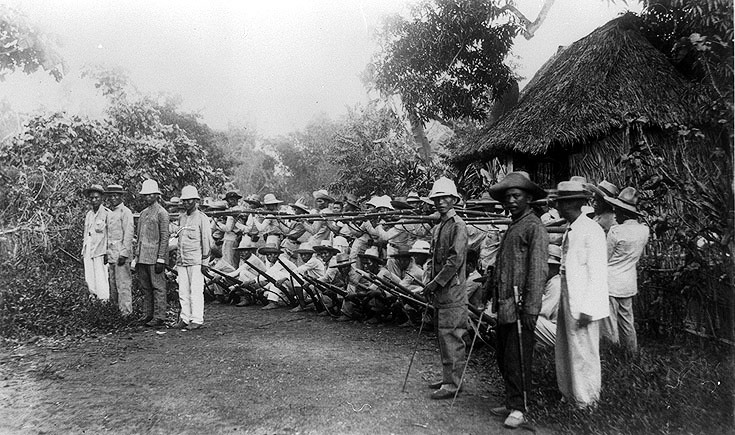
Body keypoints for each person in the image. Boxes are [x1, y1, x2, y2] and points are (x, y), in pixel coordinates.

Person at [486, 171, 549, 428]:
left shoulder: (534, 226)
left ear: (529, 197)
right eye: (507, 197)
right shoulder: (514, 225)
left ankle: (519, 408)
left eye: (516, 196)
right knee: (503, 355)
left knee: (518, 357)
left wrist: (532, 308)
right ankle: (511, 399)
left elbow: (538, 270)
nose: (511, 201)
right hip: (506, 302)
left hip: (522, 304)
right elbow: (502, 264)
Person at [554, 180, 609, 409]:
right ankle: (569, 393)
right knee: (567, 345)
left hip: (584, 299)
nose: (559, 207)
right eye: (559, 203)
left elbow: (598, 273)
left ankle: (586, 400)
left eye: (564, 203)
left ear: (576, 203)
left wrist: (590, 307)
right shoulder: (572, 229)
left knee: (584, 349)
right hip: (568, 291)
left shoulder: (591, 230)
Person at [421, 176, 468, 400]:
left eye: (445, 197)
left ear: (454, 200)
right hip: (440, 291)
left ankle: (453, 383)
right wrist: (428, 280)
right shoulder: (439, 226)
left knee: (452, 336)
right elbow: (433, 258)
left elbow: (454, 261)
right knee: (443, 335)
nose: (440, 201)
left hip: (453, 290)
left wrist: (435, 283)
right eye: (437, 198)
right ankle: (448, 378)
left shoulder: (458, 225)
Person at [601, 187, 649, 354]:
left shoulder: (616, 231)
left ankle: (612, 354)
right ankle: (631, 353)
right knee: (627, 321)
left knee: (609, 322)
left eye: (617, 211)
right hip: (628, 281)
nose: (615, 215)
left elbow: (605, 257)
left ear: (624, 213)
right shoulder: (644, 230)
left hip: (611, 281)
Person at [173, 186, 211, 330]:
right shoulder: (181, 218)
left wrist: (205, 262)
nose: (187, 202)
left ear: (196, 200)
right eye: (184, 200)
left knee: (195, 290)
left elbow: (206, 241)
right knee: (183, 290)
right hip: (183, 260)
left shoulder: (202, 218)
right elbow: (179, 240)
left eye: (190, 200)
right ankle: (185, 318)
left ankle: (197, 319)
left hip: (196, 260)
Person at [134, 179, 170, 328]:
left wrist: (161, 258)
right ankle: (147, 314)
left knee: (158, 287)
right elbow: (139, 237)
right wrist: (136, 257)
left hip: (155, 256)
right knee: (146, 287)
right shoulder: (143, 213)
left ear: (156, 195)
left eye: (150, 194)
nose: (148, 197)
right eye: (146, 195)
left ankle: (159, 316)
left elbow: (165, 237)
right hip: (143, 256)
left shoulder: (162, 213)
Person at [104, 184, 134, 315]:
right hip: (111, 254)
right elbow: (107, 234)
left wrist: (124, 253)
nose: (113, 198)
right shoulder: (109, 214)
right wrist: (106, 252)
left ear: (121, 196)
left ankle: (126, 313)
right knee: (113, 285)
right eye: (111, 196)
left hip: (121, 254)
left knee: (123, 285)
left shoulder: (125, 212)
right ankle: (115, 313)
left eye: (116, 195)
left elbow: (128, 234)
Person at [82, 184, 110, 301]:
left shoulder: (107, 213)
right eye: (92, 198)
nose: (94, 200)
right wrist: (83, 250)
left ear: (102, 198)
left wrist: (108, 252)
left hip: (100, 249)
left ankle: (104, 300)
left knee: (101, 275)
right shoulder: (89, 214)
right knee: (89, 275)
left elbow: (110, 234)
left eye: (96, 198)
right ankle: (93, 297)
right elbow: (86, 233)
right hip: (89, 247)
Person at [535, 245, 562, 347]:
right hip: (552, 327)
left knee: (528, 318)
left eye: (550, 266)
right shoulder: (549, 282)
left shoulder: (556, 284)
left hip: (560, 334)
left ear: (557, 267)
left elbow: (543, 313)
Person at [222, 190, 244, 268]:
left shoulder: (233, 211)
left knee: (229, 260)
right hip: (235, 237)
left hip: (231, 237)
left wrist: (218, 223)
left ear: (235, 200)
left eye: (230, 200)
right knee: (234, 259)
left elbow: (228, 228)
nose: (228, 202)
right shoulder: (240, 209)